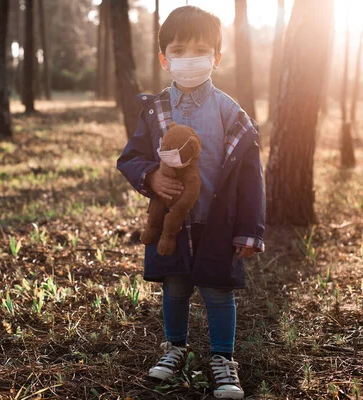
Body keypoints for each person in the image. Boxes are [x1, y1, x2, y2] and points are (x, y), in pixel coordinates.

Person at [116, 6, 265, 400]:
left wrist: (251, 229)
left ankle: (222, 359)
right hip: (172, 222)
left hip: (219, 220)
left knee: (218, 290)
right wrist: (149, 175)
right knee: (175, 286)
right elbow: (129, 158)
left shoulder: (231, 113)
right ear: (164, 59)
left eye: (200, 49)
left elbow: (250, 176)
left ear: (217, 57)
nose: (189, 57)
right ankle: (175, 348)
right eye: (179, 49)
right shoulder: (155, 110)